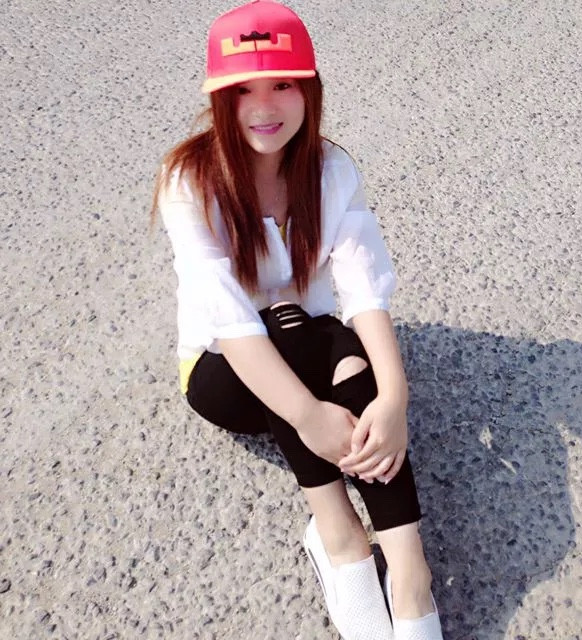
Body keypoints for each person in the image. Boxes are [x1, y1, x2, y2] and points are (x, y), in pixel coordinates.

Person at [152, 2, 444, 639]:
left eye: (282, 83)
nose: (264, 106)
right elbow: (231, 321)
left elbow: (364, 289)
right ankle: (338, 532)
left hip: (309, 343)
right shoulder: (190, 180)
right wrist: (311, 416)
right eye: (242, 89)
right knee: (285, 330)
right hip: (221, 372)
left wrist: (395, 398)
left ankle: (410, 574)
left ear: (309, 89)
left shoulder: (331, 170)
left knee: (352, 359)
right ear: (218, 98)